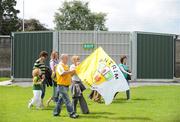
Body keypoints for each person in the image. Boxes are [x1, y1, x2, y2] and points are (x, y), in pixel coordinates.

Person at [53, 54, 78, 119]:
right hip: (61, 85)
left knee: (61, 101)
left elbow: (69, 74)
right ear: (63, 59)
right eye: (66, 58)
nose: (67, 60)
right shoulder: (60, 66)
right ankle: (72, 113)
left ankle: (56, 112)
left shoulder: (66, 66)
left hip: (66, 85)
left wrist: (73, 72)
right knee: (67, 100)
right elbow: (62, 73)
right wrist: (70, 71)